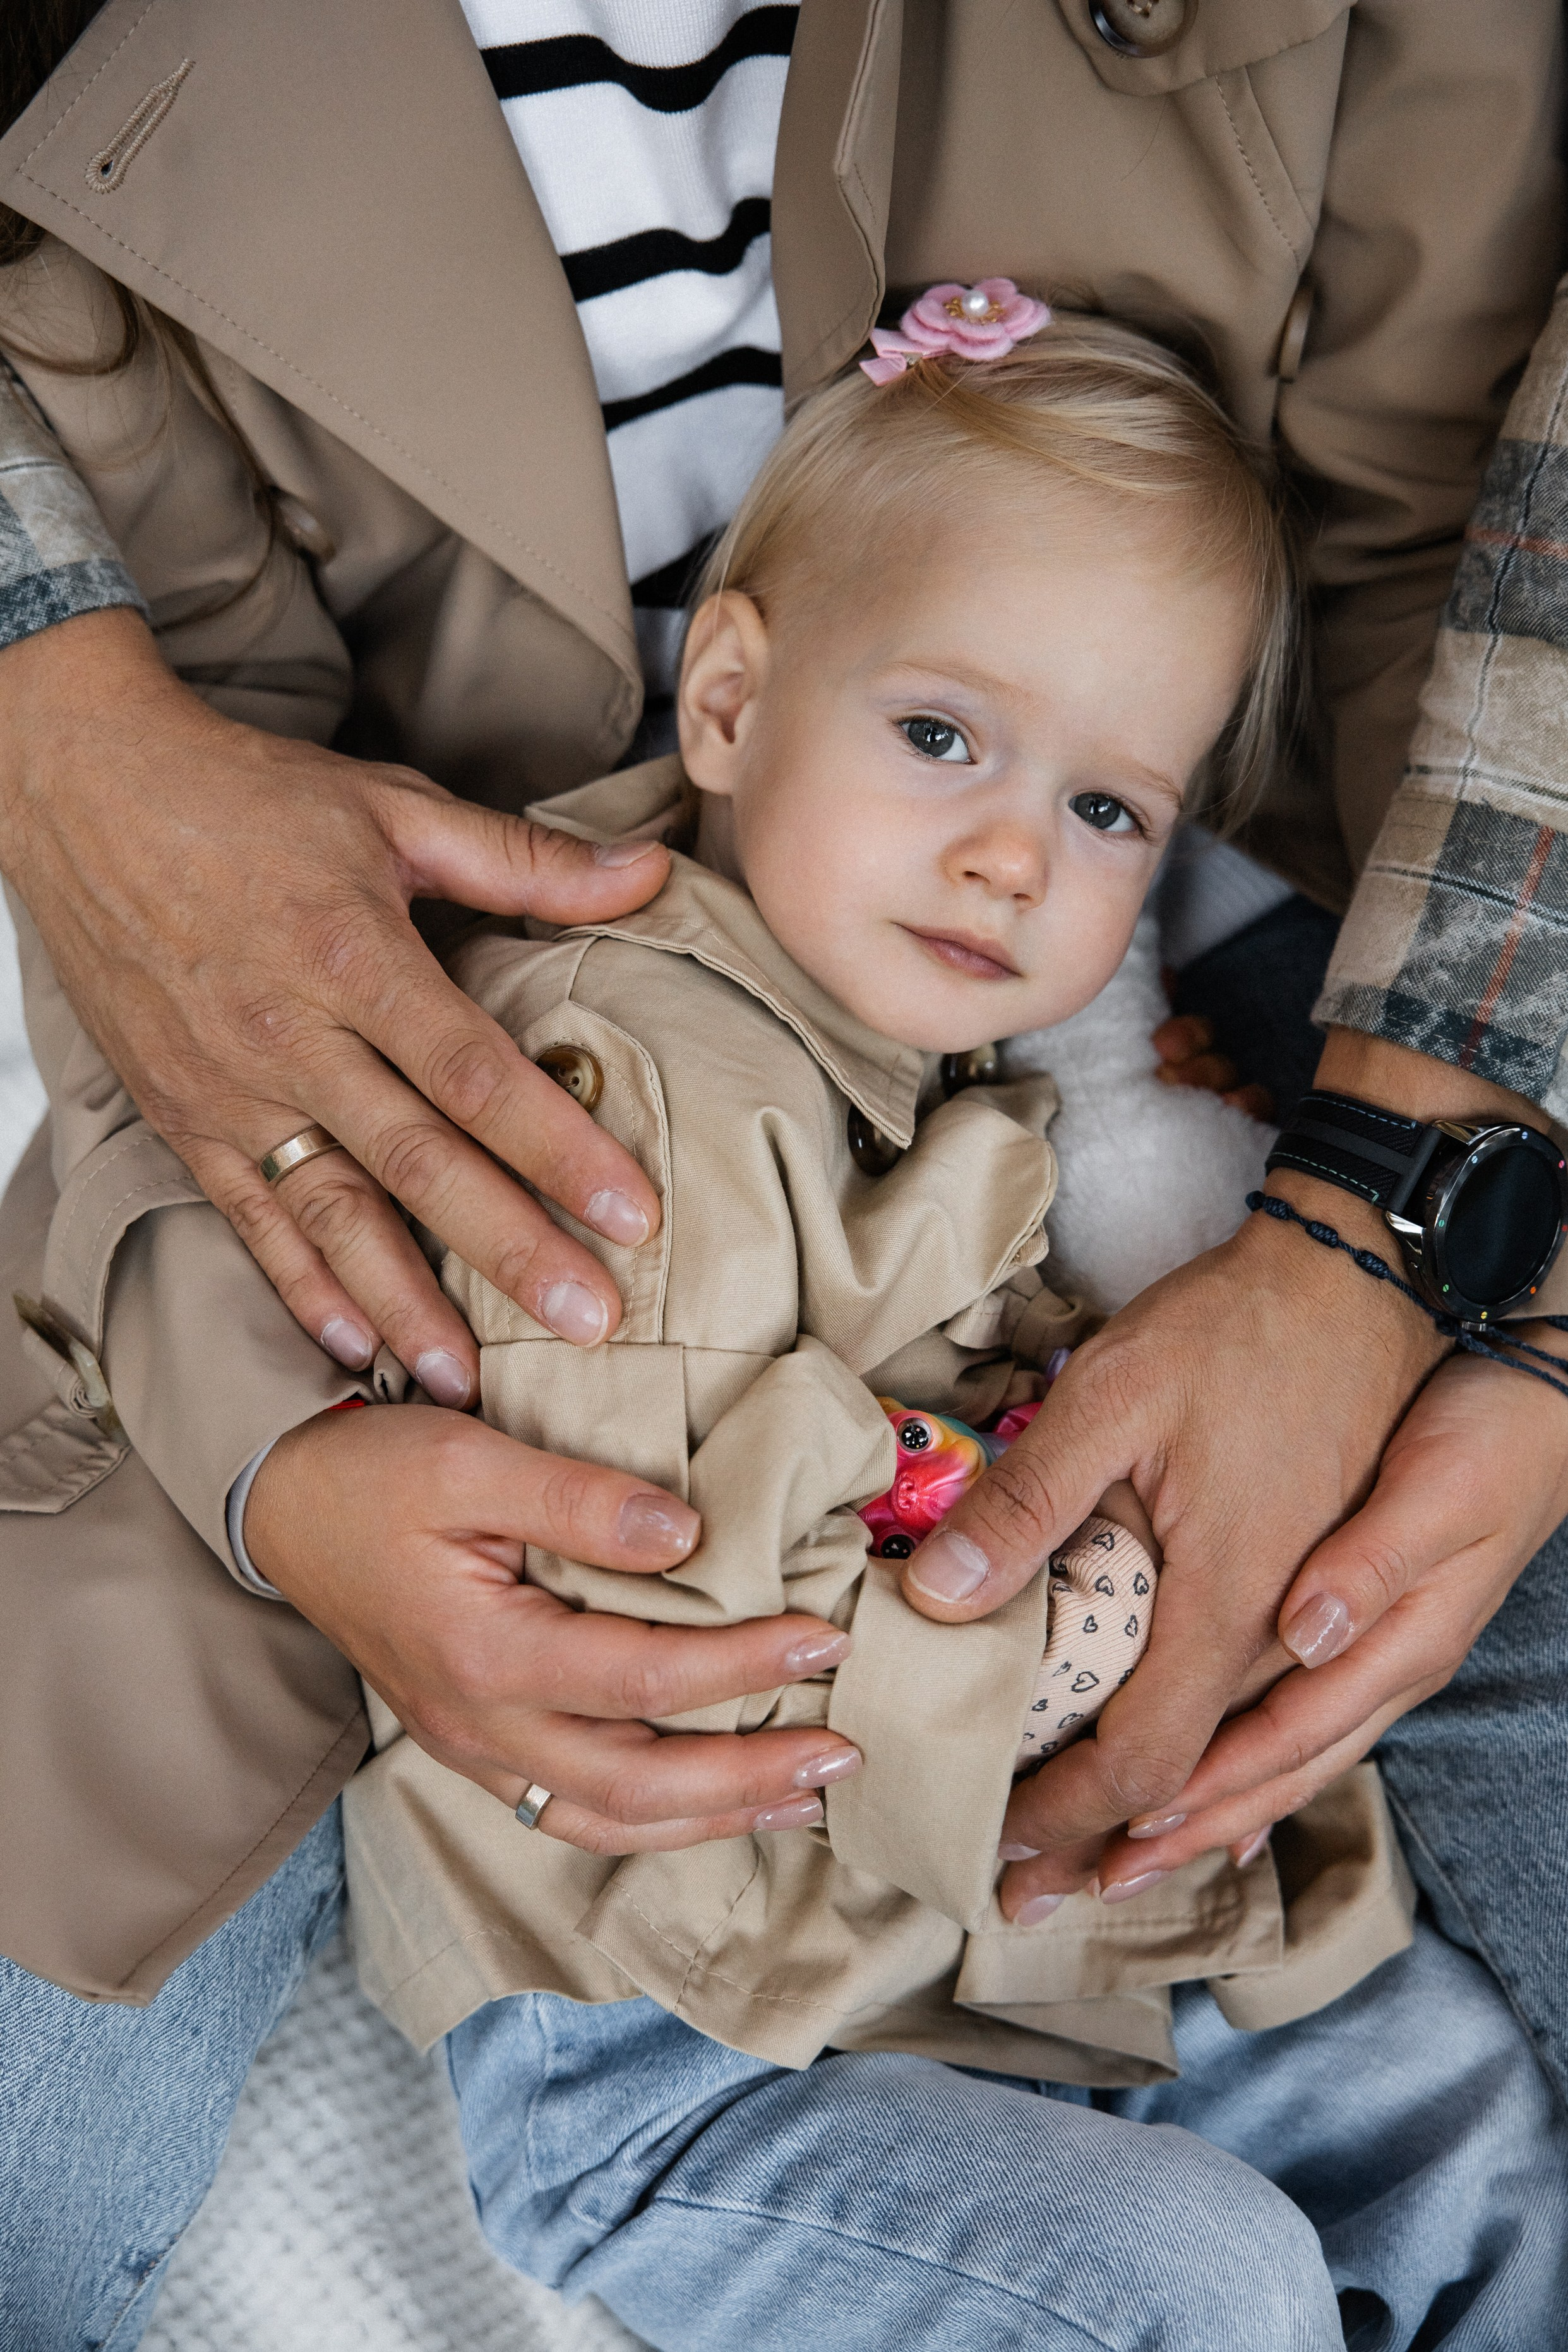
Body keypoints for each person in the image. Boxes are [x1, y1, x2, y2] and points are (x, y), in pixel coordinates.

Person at [1, 2, 1566, 2341]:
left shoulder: (1099, 1045)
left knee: (1465, 2121)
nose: (1011, 851)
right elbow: (671, 1561)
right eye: (940, 740)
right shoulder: (622, 1098)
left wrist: (1439, 1271)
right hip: (697, 1928)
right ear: (731, 702)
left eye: (1096, 808)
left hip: (1312, 1161)